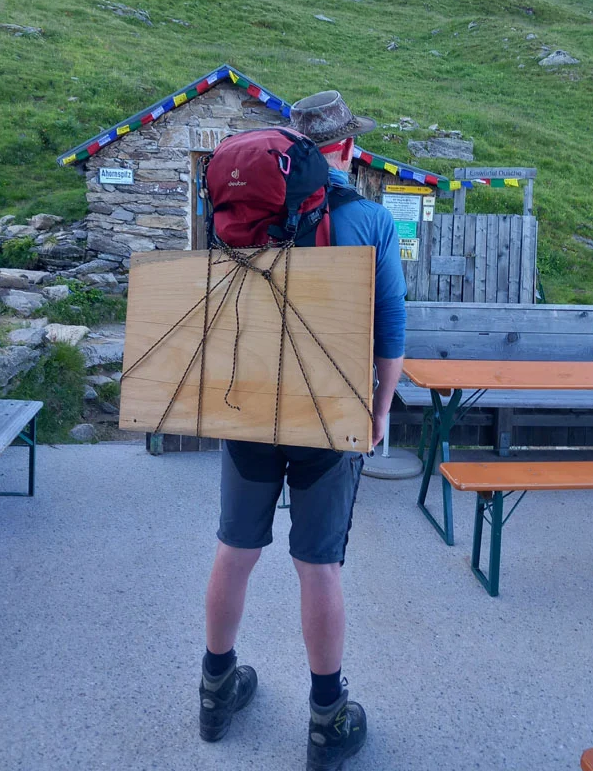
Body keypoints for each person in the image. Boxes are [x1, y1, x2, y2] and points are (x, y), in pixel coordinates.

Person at [199, 90, 407, 770]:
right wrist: (377, 414)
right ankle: (326, 719)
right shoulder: (369, 220)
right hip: (328, 414)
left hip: (250, 404)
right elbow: (390, 334)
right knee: (317, 565)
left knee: (235, 549)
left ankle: (215, 689)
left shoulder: (244, 214)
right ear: (343, 148)